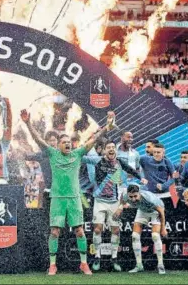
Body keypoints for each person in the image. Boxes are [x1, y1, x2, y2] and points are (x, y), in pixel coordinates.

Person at [21, 109, 116, 276]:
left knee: (79, 231)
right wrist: (28, 123)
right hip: (57, 198)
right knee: (54, 232)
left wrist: (107, 128)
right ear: (58, 145)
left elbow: (94, 140)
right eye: (63, 142)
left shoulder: (78, 154)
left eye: (68, 142)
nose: (67, 144)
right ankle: (53, 265)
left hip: (74, 198)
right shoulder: (52, 154)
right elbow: (38, 139)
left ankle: (84, 263)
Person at [83, 140, 148, 272]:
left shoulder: (119, 162)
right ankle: (97, 256)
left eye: (113, 147)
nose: (111, 149)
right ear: (105, 150)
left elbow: (130, 169)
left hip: (114, 202)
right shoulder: (97, 160)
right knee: (97, 230)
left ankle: (114, 258)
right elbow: (82, 157)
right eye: (109, 147)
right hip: (99, 201)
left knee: (116, 231)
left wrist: (140, 177)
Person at [113, 184, 167, 274]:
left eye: (135, 196)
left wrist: (163, 228)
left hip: (155, 211)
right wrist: (120, 208)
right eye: (131, 197)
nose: (133, 199)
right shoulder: (125, 195)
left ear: (140, 193)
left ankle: (160, 265)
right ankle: (139, 265)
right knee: (134, 236)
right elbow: (122, 202)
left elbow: (161, 212)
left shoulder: (150, 199)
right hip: (142, 210)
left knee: (155, 236)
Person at [24, 131, 59, 210]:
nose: (53, 142)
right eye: (50, 140)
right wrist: (23, 153)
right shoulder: (43, 154)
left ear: (57, 141)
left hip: (60, 191)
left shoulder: (61, 153)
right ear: (46, 142)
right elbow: (28, 156)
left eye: (54, 140)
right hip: (48, 190)